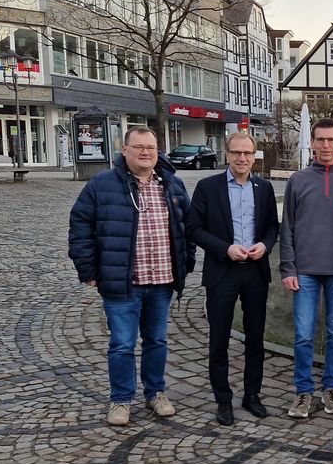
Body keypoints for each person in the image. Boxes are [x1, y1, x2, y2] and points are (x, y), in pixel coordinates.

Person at [68, 126, 196, 427]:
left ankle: (155, 393)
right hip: (123, 282)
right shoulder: (102, 184)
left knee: (156, 340)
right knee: (122, 344)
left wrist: (186, 263)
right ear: (124, 150)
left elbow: (187, 229)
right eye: (138, 147)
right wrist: (88, 269)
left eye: (151, 147)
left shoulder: (172, 185)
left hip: (162, 281)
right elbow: (80, 227)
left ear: (158, 151)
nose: (145, 153)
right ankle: (121, 399)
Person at [186, 133, 279, 426]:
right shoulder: (208, 187)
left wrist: (265, 245)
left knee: (255, 338)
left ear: (254, 156)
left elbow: (272, 228)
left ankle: (252, 395)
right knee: (219, 339)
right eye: (237, 153)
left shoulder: (263, 188)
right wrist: (225, 249)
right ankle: (223, 400)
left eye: (248, 153)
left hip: (254, 270)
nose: (242, 158)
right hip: (222, 270)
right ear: (227, 154)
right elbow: (193, 229)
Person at [280, 118, 333, 419]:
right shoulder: (298, 180)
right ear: (312, 143)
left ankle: (330, 386)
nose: (326, 145)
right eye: (320, 140)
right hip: (304, 270)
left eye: (331, 140)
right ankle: (303, 391)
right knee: (303, 334)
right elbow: (286, 227)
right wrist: (287, 268)